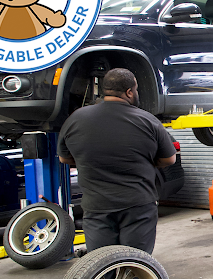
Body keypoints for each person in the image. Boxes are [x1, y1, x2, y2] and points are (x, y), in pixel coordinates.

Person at [57, 68, 176, 254]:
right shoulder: (147, 120)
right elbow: (169, 159)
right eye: (135, 90)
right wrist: (144, 162)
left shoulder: (76, 119)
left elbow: (64, 158)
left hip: (96, 208)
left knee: (102, 265)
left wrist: (89, 160)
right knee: (135, 264)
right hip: (138, 206)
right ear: (129, 92)